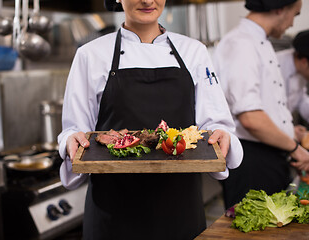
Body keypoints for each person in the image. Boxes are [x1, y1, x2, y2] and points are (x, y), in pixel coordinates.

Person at [58, 0, 243, 239]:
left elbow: (216, 123)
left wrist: (221, 135)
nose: (147, 0)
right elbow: (75, 128)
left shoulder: (193, 51)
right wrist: (71, 140)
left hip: (179, 205)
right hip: (113, 207)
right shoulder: (90, 55)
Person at [213, 0, 309, 210]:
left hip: (270, 155)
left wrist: (289, 130)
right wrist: (296, 149)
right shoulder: (241, 44)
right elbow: (250, 118)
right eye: (295, 14)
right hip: (251, 161)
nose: (292, 23)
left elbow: (265, 105)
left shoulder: (258, 41)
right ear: (279, 9)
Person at [276, 30, 309, 142]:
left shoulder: (301, 70)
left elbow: (301, 100)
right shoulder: (276, 65)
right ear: (304, 62)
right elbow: (267, 111)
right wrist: (289, 130)